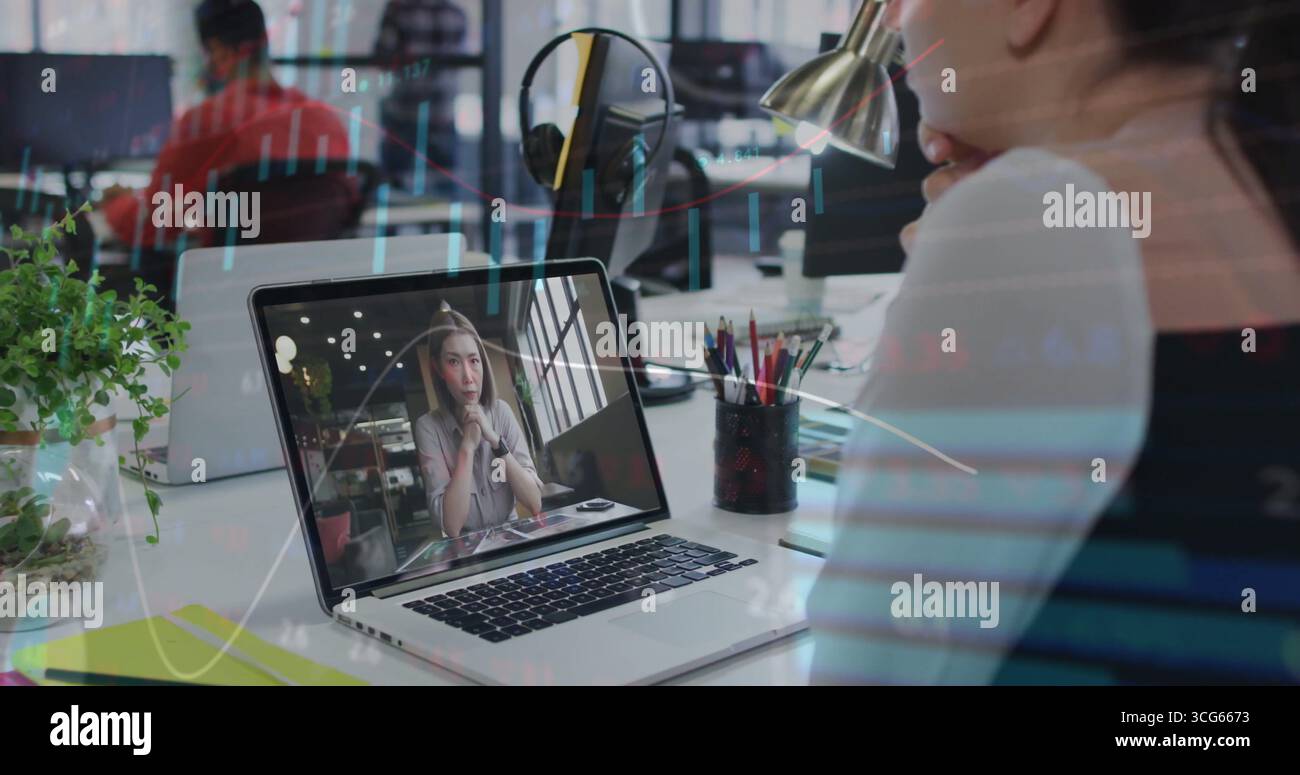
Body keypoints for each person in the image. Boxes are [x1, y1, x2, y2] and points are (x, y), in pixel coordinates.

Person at [808, 0, 1300, 683]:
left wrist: (985, 243)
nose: (893, 21)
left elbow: (871, 660)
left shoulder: (1030, 221)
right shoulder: (1266, 175)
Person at [100, 0, 353, 248]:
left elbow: (149, 224)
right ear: (265, 40)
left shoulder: (208, 121)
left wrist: (115, 202)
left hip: (229, 282)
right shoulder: (325, 120)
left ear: (218, 51)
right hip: (305, 280)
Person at [414, 302, 543, 538]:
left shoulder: (501, 412)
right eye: (453, 362)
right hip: (467, 552)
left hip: (512, 538)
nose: (468, 377)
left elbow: (535, 503)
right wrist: (467, 447)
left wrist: (495, 441)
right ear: (438, 369)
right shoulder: (428, 428)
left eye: (473, 361)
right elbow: (451, 525)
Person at [371, 0, 468, 192]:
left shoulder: (399, 10)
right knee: (444, 192)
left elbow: (382, 59)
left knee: (394, 190)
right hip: (443, 112)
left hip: (404, 110)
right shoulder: (455, 13)